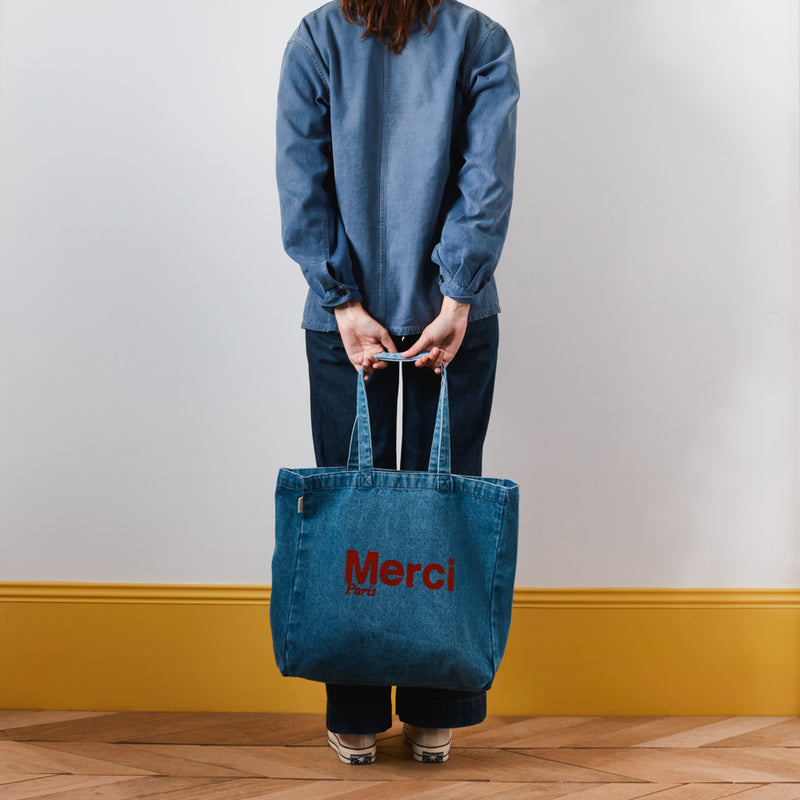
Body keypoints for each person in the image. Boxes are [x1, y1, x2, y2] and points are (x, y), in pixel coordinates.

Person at [276, 0, 518, 765]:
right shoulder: (482, 40)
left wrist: (341, 300)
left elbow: (300, 176)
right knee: (448, 500)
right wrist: (457, 296)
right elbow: (488, 177)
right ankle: (435, 712)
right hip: (457, 315)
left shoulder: (316, 37)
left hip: (344, 322)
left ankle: (353, 714)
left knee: (354, 507)